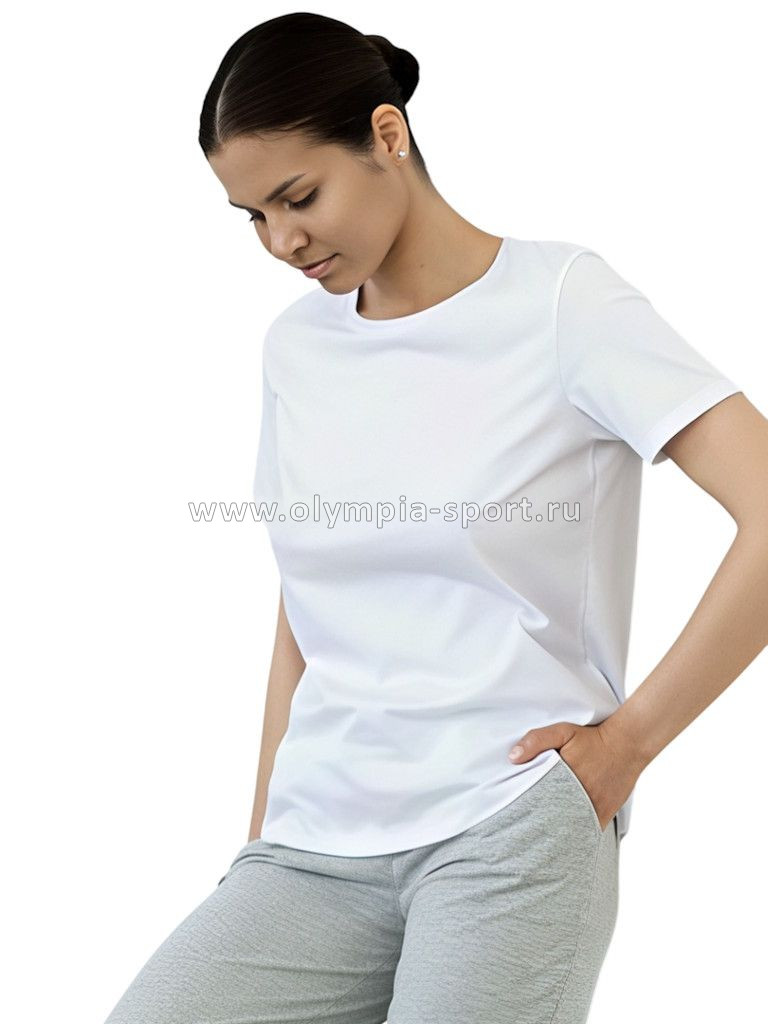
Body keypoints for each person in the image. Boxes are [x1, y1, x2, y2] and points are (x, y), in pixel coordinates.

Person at [103, 11, 768, 1024]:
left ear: (388, 135)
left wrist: (627, 746)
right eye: (253, 216)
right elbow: (306, 607)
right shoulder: (296, 348)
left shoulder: (562, 304)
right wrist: (260, 838)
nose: (282, 241)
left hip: (506, 826)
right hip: (315, 842)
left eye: (299, 197)